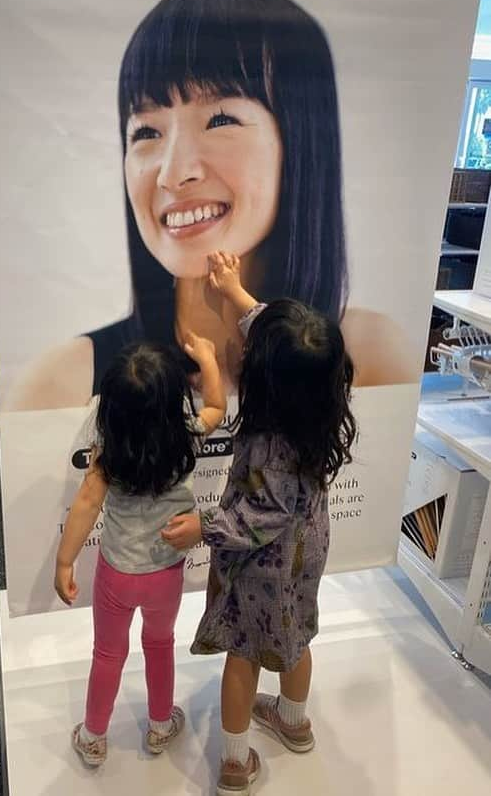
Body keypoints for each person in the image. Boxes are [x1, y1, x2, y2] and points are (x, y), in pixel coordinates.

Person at [8, 0, 418, 411]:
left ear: (300, 141)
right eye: (146, 131)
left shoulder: (370, 356)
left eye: (220, 120)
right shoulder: (60, 385)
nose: (174, 173)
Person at [162, 252, 357, 796]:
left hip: (261, 562)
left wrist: (203, 527)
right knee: (297, 636)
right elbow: (284, 339)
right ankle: (294, 722)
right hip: (306, 550)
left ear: (265, 379)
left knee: (243, 653)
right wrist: (236, 294)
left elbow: (257, 517)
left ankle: (234, 762)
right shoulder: (319, 397)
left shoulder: (271, 443)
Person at [54, 331, 226, 766]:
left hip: (116, 574)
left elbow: (86, 505)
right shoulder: (186, 436)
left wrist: (64, 560)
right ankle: (160, 725)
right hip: (165, 572)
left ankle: (93, 737)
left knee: (108, 653)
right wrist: (206, 357)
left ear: (110, 408)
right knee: (159, 642)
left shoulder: (108, 454)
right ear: (173, 403)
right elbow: (218, 407)